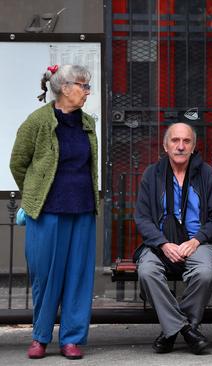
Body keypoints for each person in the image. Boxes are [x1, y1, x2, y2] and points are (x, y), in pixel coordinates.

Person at [10, 64, 98, 360]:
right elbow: (18, 163)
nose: (88, 91)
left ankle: (72, 338)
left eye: (88, 86)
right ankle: (40, 336)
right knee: (45, 276)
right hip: (48, 212)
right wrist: (34, 194)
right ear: (64, 87)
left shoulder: (87, 123)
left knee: (78, 276)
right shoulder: (37, 121)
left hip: (83, 209)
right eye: (83, 86)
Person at [134, 122, 212, 355]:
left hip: (199, 244)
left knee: (205, 273)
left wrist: (196, 240)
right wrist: (163, 244)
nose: (180, 146)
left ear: (193, 147)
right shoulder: (152, 174)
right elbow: (142, 218)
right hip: (160, 245)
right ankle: (187, 330)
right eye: (175, 141)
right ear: (166, 146)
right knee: (147, 271)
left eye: (186, 141)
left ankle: (170, 331)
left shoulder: (206, 174)